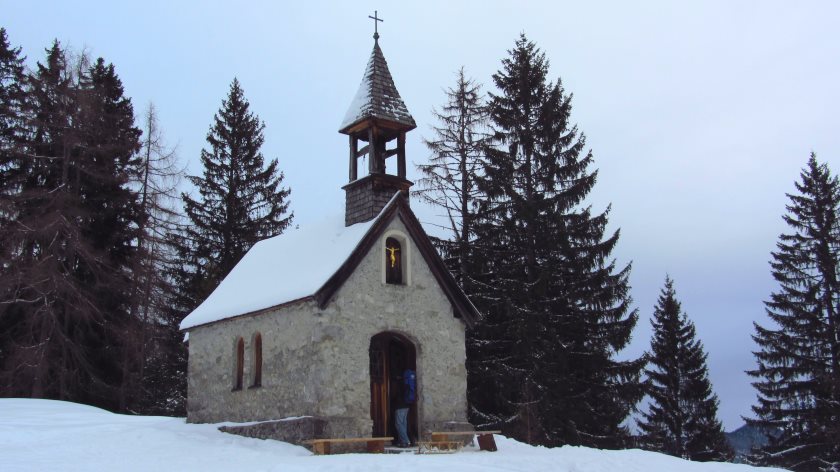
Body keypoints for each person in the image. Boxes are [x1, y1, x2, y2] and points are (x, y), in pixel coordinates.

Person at [394, 368, 415, 447]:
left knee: (398, 424)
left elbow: (398, 395)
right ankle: (403, 441)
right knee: (403, 424)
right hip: (407, 406)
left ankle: (406, 441)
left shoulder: (401, 384)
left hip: (400, 406)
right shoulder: (407, 383)